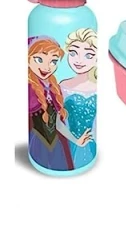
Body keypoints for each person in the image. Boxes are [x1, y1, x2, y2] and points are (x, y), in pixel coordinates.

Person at [28, 36, 92, 171]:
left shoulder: (54, 88)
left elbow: (58, 124)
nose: (46, 67)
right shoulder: (28, 87)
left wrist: (76, 141)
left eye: (53, 61)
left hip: (57, 146)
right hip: (37, 144)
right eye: (39, 59)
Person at [60, 28, 97, 169]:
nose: (79, 60)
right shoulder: (62, 86)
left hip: (92, 143)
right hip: (69, 143)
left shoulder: (97, 85)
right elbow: (57, 122)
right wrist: (76, 141)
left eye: (89, 55)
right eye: (73, 53)